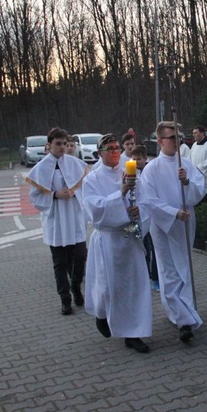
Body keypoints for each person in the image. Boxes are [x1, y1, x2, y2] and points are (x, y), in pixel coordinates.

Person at [83, 133, 153, 353]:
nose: (114, 152)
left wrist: (138, 210)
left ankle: (133, 333)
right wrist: (120, 193)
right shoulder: (91, 180)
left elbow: (146, 200)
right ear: (100, 153)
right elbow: (96, 212)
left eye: (116, 148)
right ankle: (102, 314)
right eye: (109, 149)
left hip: (129, 238)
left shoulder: (131, 174)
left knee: (134, 287)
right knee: (107, 287)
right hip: (108, 240)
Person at [140, 121, 205, 343]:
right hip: (164, 225)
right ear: (160, 141)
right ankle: (183, 319)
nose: (177, 142)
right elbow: (150, 200)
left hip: (186, 225)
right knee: (169, 272)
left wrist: (186, 182)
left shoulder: (186, 164)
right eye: (172, 138)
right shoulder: (151, 169)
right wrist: (173, 213)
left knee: (184, 268)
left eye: (179, 138)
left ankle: (184, 311)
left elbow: (199, 191)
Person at [26, 128, 89, 316]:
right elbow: (35, 197)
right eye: (58, 144)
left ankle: (75, 285)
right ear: (49, 145)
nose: (62, 147)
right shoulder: (40, 168)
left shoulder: (75, 164)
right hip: (56, 221)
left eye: (64, 144)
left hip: (73, 217)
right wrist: (54, 195)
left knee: (79, 257)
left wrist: (73, 192)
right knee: (60, 263)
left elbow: (85, 188)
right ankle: (65, 299)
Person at [131, 145, 160, 291]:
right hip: (138, 216)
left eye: (139, 159)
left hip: (152, 216)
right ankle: (143, 274)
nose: (136, 162)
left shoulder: (150, 171)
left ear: (145, 158)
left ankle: (155, 277)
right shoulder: (129, 173)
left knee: (153, 247)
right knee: (142, 247)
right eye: (133, 159)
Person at [190, 125, 207, 203]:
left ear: (202, 133)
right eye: (193, 133)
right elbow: (190, 159)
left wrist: (198, 170)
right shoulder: (194, 145)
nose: (194, 135)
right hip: (196, 180)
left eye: (196, 133)